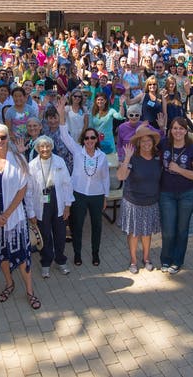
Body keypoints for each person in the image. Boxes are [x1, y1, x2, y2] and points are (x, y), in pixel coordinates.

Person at [0, 124, 41, 310]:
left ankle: (30, 291)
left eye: (2, 137)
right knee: (2, 254)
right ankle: (9, 284)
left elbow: (22, 189)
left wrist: (5, 215)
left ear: (8, 138)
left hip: (14, 217)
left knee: (22, 256)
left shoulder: (18, 159)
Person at [57, 101, 112, 267]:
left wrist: (105, 197)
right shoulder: (77, 150)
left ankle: (95, 254)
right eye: (87, 138)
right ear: (83, 139)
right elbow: (64, 135)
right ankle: (77, 254)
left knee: (97, 226)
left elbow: (105, 178)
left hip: (96, 195)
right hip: (78, 194)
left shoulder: (101, 156)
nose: (89, 140)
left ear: (96, 140)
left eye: (92, 138)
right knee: (77, 226)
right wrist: (61, 114)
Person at [158, 116, 193, 274]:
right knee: (168, 230)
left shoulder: (192, 149)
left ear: (186, 130)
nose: (177, 131)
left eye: (181, 128)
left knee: (181, 229)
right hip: (166, 193)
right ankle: (165, 259)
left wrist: (179, 170)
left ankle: (177, 261)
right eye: (174, 128)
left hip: (187, 194)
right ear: (170, 130)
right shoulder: (164, 144)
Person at [116, 124, 164, 274]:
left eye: (148, 140)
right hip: (133, 201)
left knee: (147, 232)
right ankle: (133, 261)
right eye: (142, 141)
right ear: (138, 143)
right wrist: (127, 158)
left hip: (151, 201)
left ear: (153, 142)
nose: (146, 144)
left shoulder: (158, 158)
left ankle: (146, 258)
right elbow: (121, 176)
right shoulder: (133, 158)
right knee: (134, 233)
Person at [27, 136, 73, 278]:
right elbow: (28, 191)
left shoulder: (59, 161)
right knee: (44, 234)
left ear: (51, 147)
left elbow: (67, 183)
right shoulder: (32, 165)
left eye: (47, 146)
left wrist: (67, 205)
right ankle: (46, 262)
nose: (45, 149)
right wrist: (31, 212)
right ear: (37, 148)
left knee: (60, 233)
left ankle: (60, 260)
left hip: (57, 200)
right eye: (42, 147)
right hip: (40, 203)